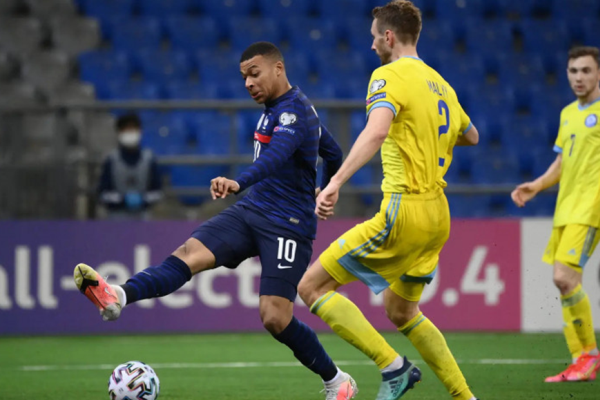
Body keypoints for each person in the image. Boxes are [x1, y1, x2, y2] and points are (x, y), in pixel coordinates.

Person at [73, 42, 357, 399]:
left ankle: (338, 381)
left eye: (254, 74)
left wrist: (241, 182)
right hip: (253, 210)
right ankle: (117, 295)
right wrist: (328, 188)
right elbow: (332, 152)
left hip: (288, 224)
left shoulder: (294, 112)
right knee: (189, 253)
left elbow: (276, 156)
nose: (248, 83)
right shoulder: (279, 109)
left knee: (275, 317)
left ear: (278, 69)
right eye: (244, 77)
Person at [297, 2, 480, 399]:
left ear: (389, 36)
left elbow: (377, 131)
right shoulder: (440, 83)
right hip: (438, 214)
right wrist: (427, 136)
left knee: (312, 286)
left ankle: (393, 368)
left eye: (374, 37)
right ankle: (465, 396)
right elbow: (471, 135)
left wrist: (335, 182)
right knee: (402, 311)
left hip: (404, 210)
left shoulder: (388, 75)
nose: (371, 46)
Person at [511, 46, 600, 383]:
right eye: (573, 71)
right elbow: (563, 162)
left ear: (598, 74)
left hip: (590, 208)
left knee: (564, 277)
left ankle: (589, 355)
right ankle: (580, 360)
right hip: (566, 208)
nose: (579, 77)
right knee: (564, 283)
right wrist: (536, 185)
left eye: (586, 70)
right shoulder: (568, 113)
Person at [97, 114, 163, 220]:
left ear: (140, 131)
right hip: (116, 219)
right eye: (126, 129)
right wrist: (123, 200)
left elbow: (157, 192)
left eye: (133, 129)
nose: (130, 132)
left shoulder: (149, 159)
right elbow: (103, 194)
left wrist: (142, 200)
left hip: (143, 219)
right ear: (119, 132)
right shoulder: (111, 160)